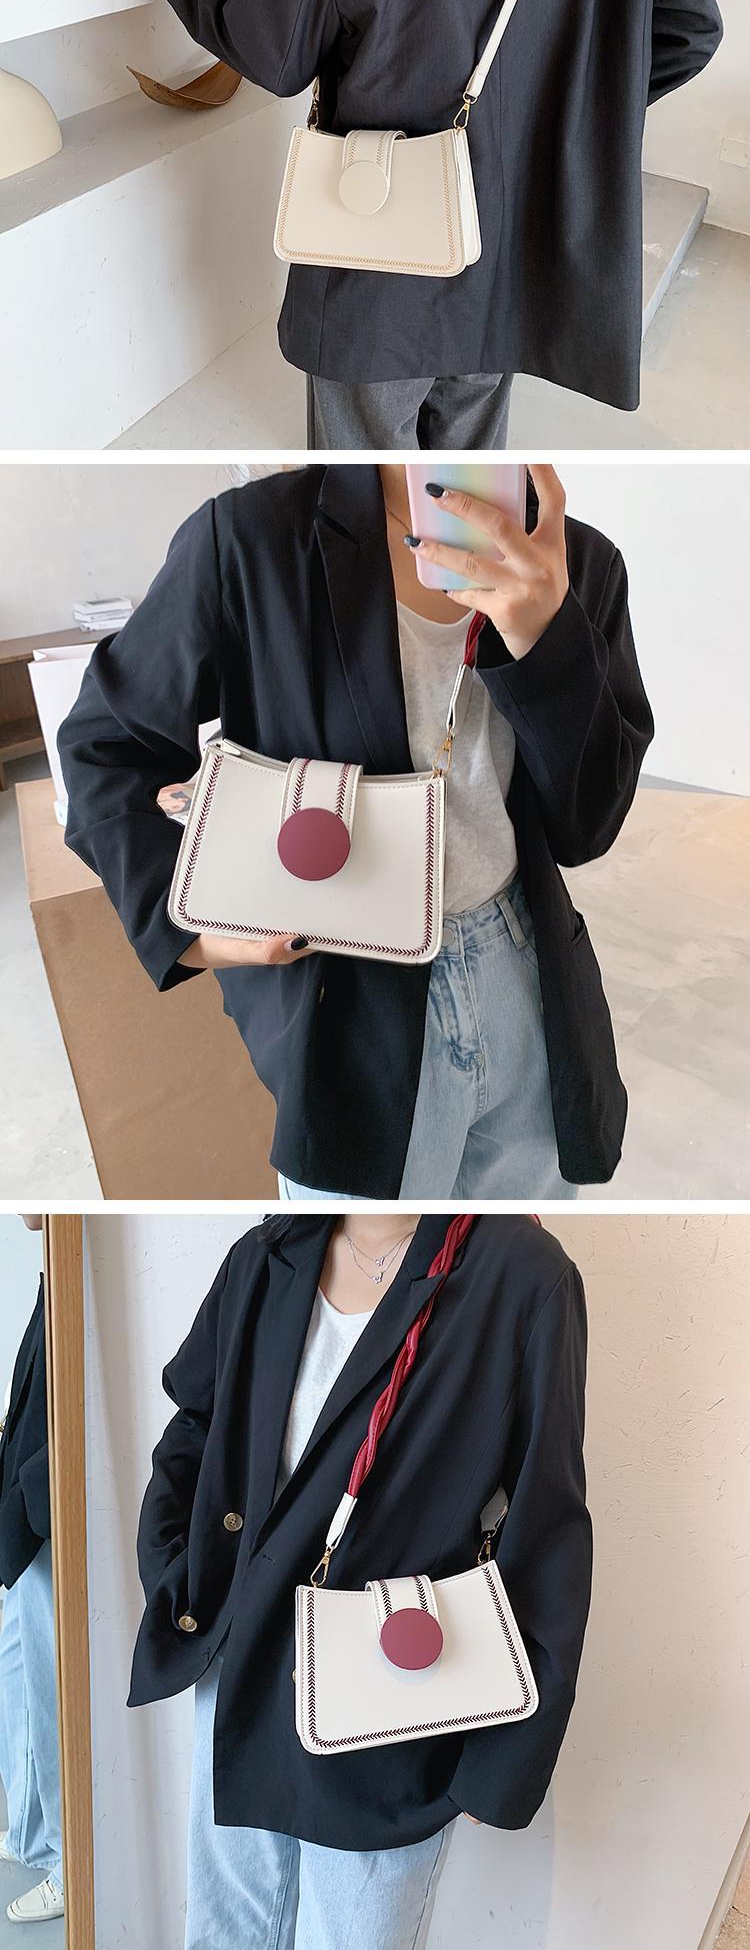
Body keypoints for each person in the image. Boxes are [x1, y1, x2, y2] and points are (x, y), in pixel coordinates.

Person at [112, 0, 722, 452]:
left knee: (364, 497)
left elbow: (273, 56)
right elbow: (690, 24)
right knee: (465, 493)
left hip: (376, 249)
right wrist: (566, 109)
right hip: (510, 253)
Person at [58, 463, 654, 1203]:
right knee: (360, 1250)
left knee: (498, 1246)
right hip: (345, 993)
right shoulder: (253, 538)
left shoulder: (579, 562)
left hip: (525, 973)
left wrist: (546, 641)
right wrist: (182, 926)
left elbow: (586, 827)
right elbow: (105, 745)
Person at [129, 1211, 592, 1950]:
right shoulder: (269, 1251)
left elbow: (547, 1522)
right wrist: (172, 1568)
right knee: (224, 1935)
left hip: (391, 1705)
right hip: (238, 1677)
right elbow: (196, 1423)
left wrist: (505, 1760)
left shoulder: (519, 1273)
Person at [0, 1220, 64, 1927]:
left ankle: (69, 1862)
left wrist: (34, 1494)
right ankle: (31, 1833)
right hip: (30, 1499)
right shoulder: (55, 1259)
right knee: (17, 1664)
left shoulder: (81, 1251)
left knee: (50, 1686)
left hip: (51, 1506)